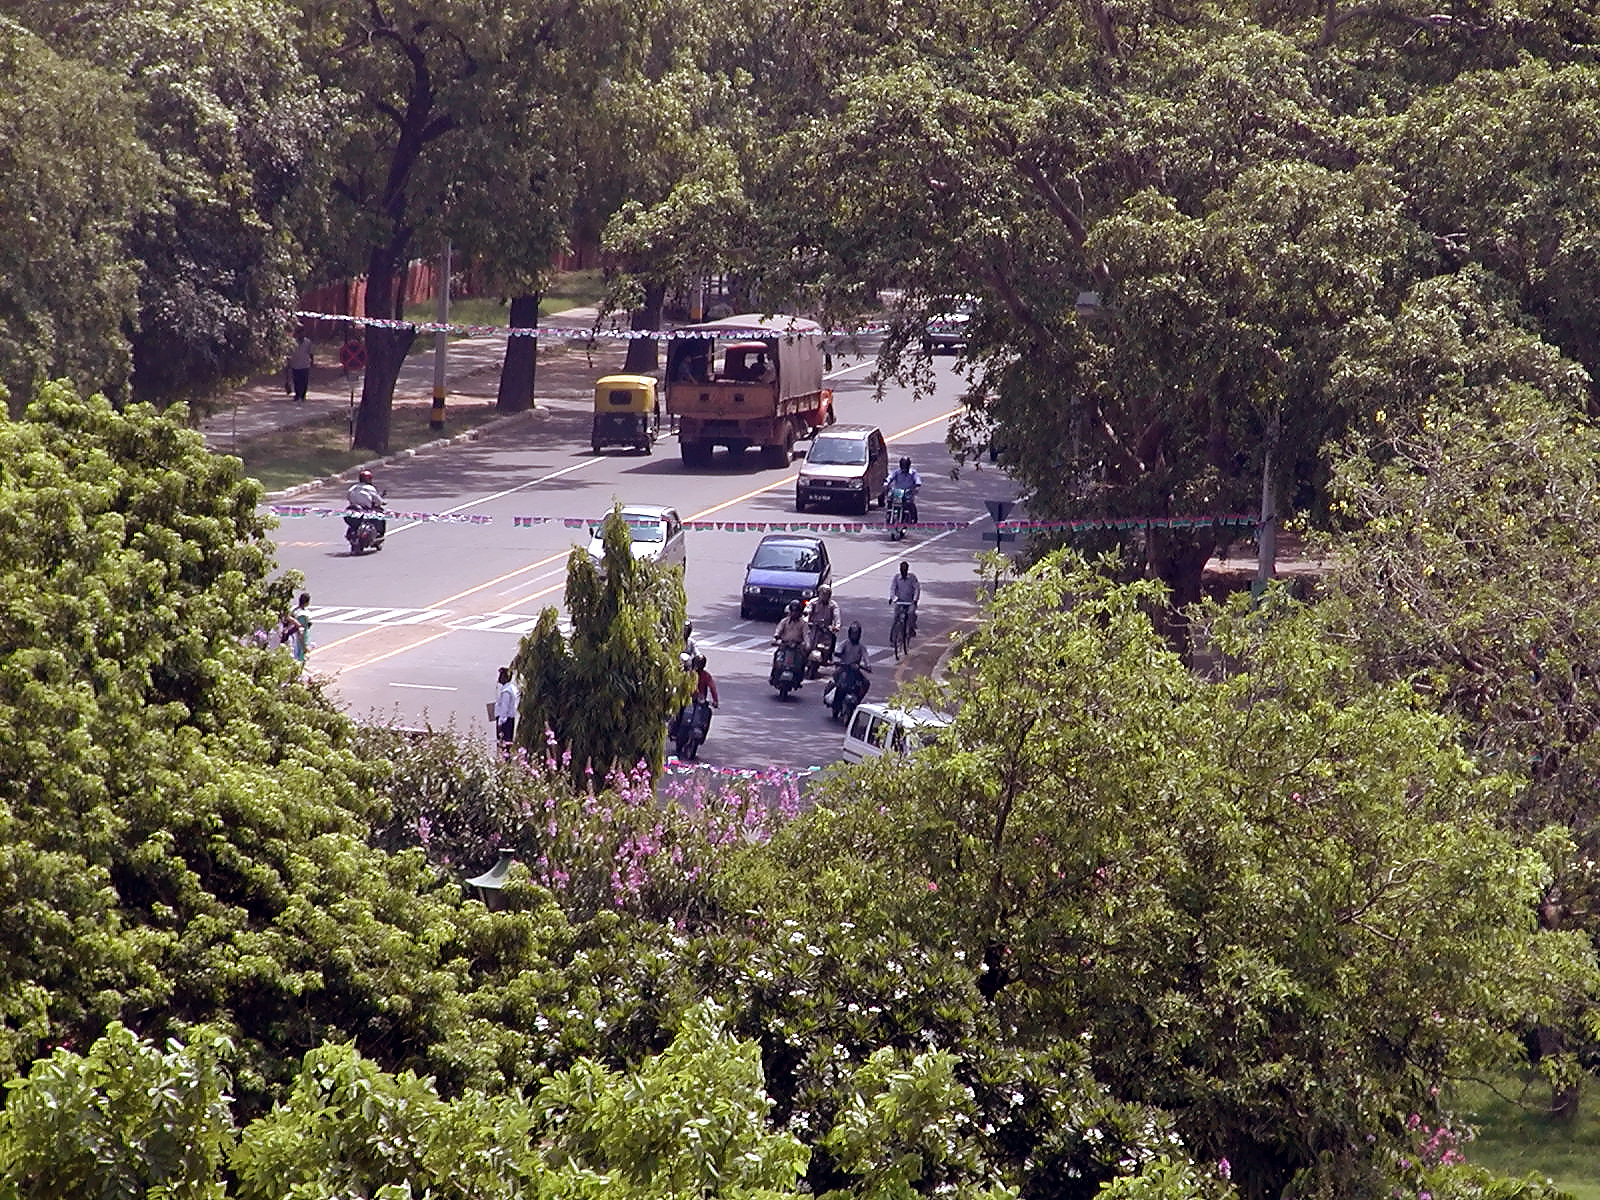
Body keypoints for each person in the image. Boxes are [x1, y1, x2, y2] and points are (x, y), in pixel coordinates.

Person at [345, 468, 386, 548]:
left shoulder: (353, 488)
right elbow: (378, 500)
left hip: (352, 509)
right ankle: (379, 535)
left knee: (353, 524)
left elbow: (348, 497)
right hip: (365, 510)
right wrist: (382, 502)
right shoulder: (370, 488)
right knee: (380, 516)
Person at [804, 585, 841, 663]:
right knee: (805, 644)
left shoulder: (833, 605)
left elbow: (836, 616)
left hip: (826, 628)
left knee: (833, 638)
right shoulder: (813, 602)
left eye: (827, 594)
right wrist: (806, 618)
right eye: (823, 593)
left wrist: (836, 626)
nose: (824, 596)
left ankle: (829, 656)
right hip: (813, 627)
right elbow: (807, 611)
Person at [882, 456, 922, 522]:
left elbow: (917, 481)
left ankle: (913, 517)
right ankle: (889, 515)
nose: (904, 468)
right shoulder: (897, 472)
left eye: (905, 465)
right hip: (898, 491)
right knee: (890, 499)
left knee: (909, 503)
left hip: (908, 492)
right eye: (903, 465)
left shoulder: (913, 473)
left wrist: (917, 486)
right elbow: (890, 477)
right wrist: (886, 483)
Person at [888, 560, 920, 637]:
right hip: (899, 601)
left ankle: (911, 628)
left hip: (910, 601)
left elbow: (917, 589)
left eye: (905, 570)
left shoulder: (912, 578)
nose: (903, 572)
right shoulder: (896, 578)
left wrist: (915, 600)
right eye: (902, 570)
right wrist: (893, 597)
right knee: (896, 616)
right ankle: (895, 634)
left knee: (910, 613)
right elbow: (893, 588)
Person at [494, 666, 518, 756]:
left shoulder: (506, 691)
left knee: (503, 743)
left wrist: (500, 722)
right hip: (510, 719)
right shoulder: (511, 688)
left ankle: (504, 761)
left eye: (501, 675)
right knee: (508, 742)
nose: (499, 678)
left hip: (505, 720)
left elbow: (504, 708)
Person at [287, 332, 314, 403]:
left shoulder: (308, 342)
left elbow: (310, 353)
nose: (300, 335)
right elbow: (289, 353)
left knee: (304, 381)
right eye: (299, 333)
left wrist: (312, 362)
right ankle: (297, 395)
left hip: (305, 364)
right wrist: (289, 362)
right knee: (296, 381)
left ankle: (303, 395)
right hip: (295, 364)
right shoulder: (293, 342)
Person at [290, 591, 312, 664]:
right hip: (299, 641)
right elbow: (300, 632)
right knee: (300, 659)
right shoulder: (302, 615)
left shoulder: (295, 610)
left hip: (295, 637)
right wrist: (304, 646)